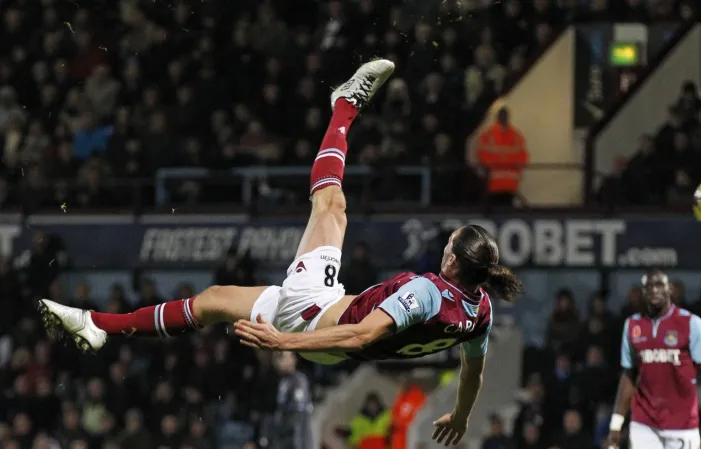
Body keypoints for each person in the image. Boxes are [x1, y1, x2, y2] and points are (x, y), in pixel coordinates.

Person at [39, 59, 525, 446]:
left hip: (311, 319)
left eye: (448, 244)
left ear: (454, 262)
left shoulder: (425, 291)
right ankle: (99, 325)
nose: (443, 246)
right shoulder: (478, 310)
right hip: (327, 309)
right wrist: (461, 416)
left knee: (328, 205)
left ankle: (344, 108)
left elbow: (356, 336)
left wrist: (281, 343)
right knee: (217, 297)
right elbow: (472, 369)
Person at [607, 269, 701, 449]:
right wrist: (616, 423)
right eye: (649, 286)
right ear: (643, 292)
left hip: (682, 423)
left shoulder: (691, 323)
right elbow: (629, 374)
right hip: (643, 423)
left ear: (670, 289)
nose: (654, 290)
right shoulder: (632, 325)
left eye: (659, 285)